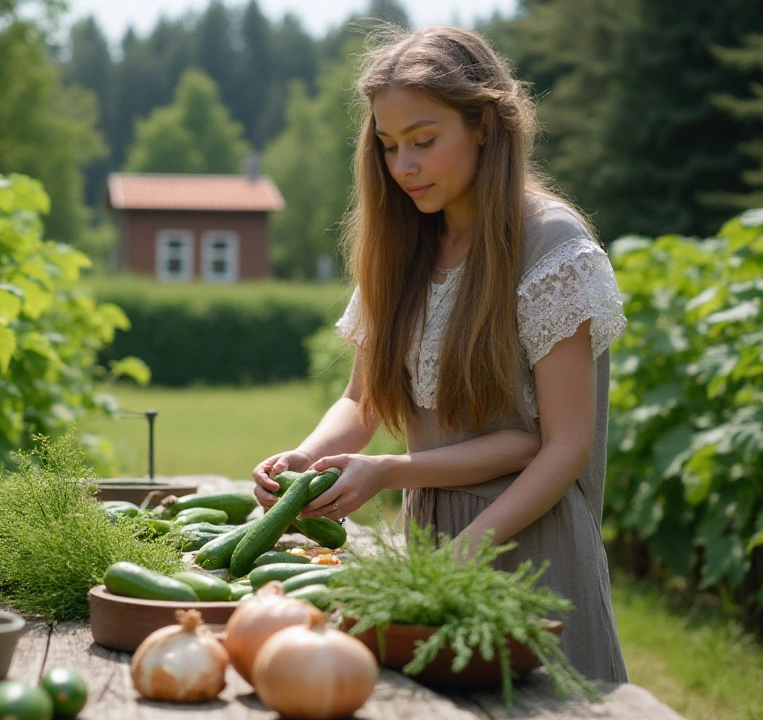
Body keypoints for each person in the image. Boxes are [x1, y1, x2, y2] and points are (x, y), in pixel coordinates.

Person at [251, 25, 629, 683]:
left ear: (484, 124)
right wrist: (307, 456)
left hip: (532, 546)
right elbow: (361, 400)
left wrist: (460, 544)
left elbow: (564, 446)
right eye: (389, 146)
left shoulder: (552, 247)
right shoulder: (401, 248)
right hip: (431, 542)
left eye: (424, 142)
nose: (403, 167)